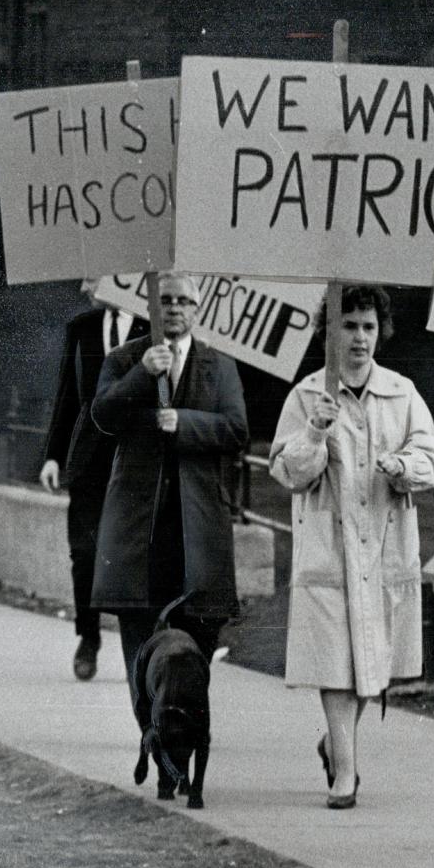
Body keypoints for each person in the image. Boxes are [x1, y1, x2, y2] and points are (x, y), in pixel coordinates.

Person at [269, 286, 434, 809]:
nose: (359, 337)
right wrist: (315, 434)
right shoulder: (305, 397)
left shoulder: (402, 392)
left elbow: (430, 458)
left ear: (379, 332)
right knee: (336, 665)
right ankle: (346, 771)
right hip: (331, 552)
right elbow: (287, 472)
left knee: (372, 664)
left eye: (368, 326)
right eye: (349, 326)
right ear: (329, 332)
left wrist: (403, 467)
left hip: (385, 549)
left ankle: (334, 743)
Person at [89, 272, 247, 754]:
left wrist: (186, 424)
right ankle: (150, 733)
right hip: (140, 526)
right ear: (151, 308)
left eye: (184, 301)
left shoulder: (218, 365)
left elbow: (236, 429)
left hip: (196, 526)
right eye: (166, 301)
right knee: (140, 634)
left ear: (197, 309)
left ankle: (185, 731)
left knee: (197, 634)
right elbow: (101, 416)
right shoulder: (124, 358)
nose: (174, 309)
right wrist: (142, 375)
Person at [39, 278, 134, 680]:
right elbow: (66, 394)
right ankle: (88, 636)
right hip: (87, 459)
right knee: (84, 552)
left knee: (134, 552)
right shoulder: (82, 326)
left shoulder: (154, 326)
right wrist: (53, 456)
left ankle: (140, 643)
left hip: (134, 456)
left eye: (93, 277)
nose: (84, 286)